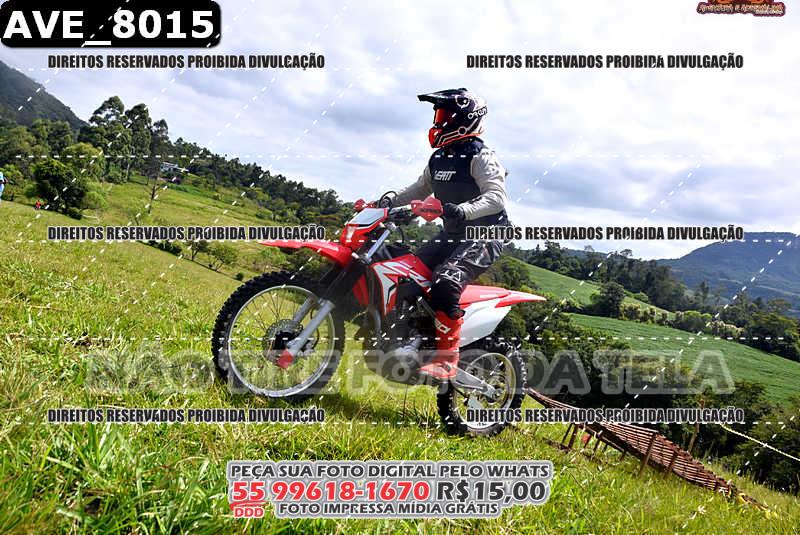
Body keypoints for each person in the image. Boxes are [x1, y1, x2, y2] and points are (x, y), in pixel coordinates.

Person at [382, 88, 510, 380]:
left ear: (465, 119)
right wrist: (385, 202)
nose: (439, 122)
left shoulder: (481, 156)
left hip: (487, 233)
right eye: (438, 116)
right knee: (407, 275)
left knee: (446, 281)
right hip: (454, 232)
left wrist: (461, 210)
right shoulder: (439, 158)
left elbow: (496, 198)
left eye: (445, 116)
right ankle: (413, 340)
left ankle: (447, 358)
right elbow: (418, 189)